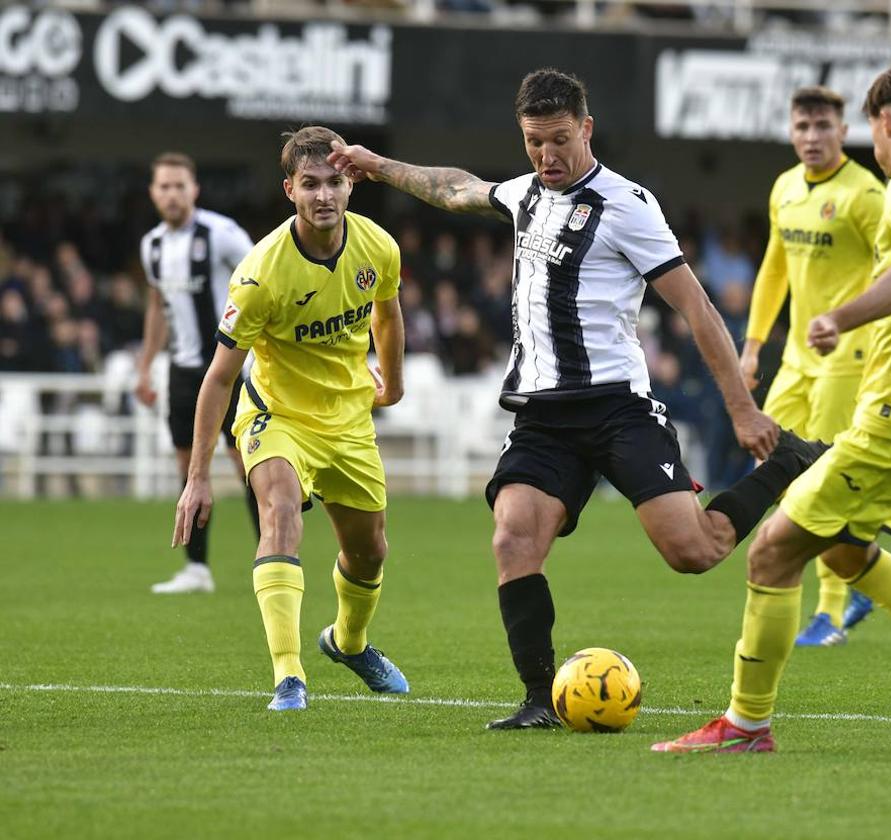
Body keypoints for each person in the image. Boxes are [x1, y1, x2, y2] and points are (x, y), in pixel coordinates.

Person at [329, 68, 826, 729]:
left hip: (617, 407)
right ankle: (540, 699)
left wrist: (741, 407)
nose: (548, 156)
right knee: (512, 540)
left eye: (560, 140)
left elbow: (697, 309)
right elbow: (452, 189)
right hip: (542, 415)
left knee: (694, 551)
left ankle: (789, 461)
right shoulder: (525, 194)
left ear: (586, 129)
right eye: (535, 142)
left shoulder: (628, 205)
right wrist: (375, 164)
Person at [653, 55, 891, 754]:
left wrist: (839, 319)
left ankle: (744, 725)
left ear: (882, 124)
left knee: (769, 554)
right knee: (848, 553)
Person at [172, 127, 409, 712]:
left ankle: (349, 644)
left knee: (370, 551)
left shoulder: (377, 247)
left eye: (334, 181)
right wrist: (198, 477)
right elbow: (219, 377)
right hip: (276, 413)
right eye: (310, 184)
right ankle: (289, 676)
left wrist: (394, 386)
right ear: (290, 190)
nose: (324, 195)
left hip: (348, 418)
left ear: (351, 183)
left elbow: (388, 316)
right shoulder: (260, 274)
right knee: (278, 514)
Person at [740, 85, 885, 648]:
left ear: (843, 132)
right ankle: (861, 566)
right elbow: (775, 268)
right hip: (797, 357)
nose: (812, 137)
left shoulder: (866, 195)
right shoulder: (784, 188)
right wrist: (753, 345)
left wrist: (861, 329)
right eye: (802, 127)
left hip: (847, 355)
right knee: (770, 467)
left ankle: (831, 607)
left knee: (819, 478)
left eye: (823, 127)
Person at [136, 152, 259, 594]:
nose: (171, 194)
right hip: (183, 372)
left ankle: (272, 558)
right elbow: (157, 307)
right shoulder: (152, 245)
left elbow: (266, 280)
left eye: (179, 185)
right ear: (153, 193)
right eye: (164, 186)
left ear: (194, 189)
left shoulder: (222, 235)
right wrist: (146, 365)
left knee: (249, 466)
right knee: (189, 470)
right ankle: (196, 569)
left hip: (231, 370)